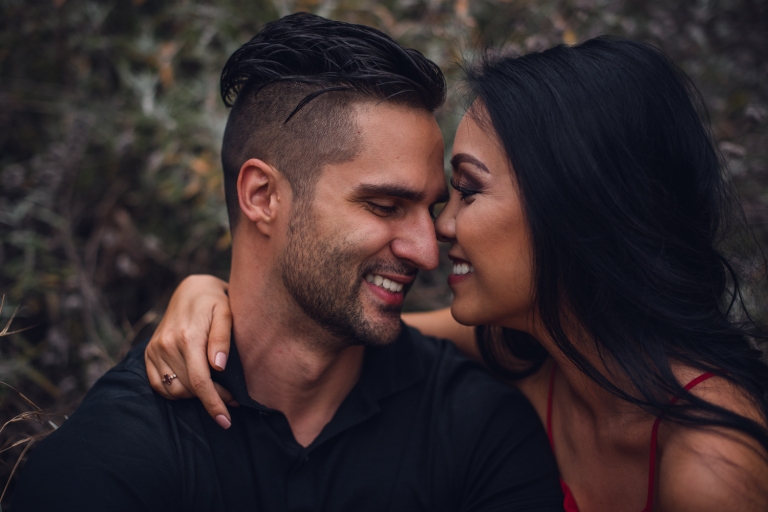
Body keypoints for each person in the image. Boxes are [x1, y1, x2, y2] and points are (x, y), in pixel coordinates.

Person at [146, 36, 768, 510]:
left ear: (572, 206)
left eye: (467, 190)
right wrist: (207, 292)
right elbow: (326, 318)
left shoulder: (713, 468)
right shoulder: (528, 348)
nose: (437, 233)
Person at [11, 13, 564, 512]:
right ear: (262, 197)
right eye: (385, 206)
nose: (426, 249)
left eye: (431, 207)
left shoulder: (477, 430)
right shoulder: (116, 456)